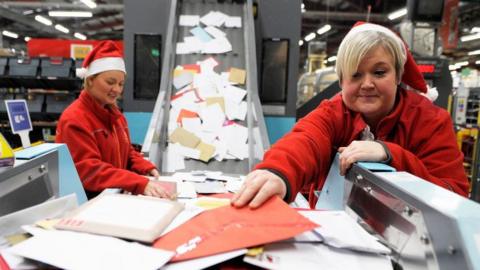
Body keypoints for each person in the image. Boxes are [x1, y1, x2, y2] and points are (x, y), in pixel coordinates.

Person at [232, 22, 469, 209]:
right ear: (342, 81)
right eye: (355, 75)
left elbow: (453, 195)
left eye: (379, 72)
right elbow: (305, 140)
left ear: (398, 75)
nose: (367, 84)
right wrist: (276, 173)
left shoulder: (430, 121)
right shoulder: (333, 112)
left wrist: (391, 155)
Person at [56, 40, 172, 199]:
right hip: (88, 202)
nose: (116, 89)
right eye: (110, 82)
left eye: (121, 84)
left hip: (110, 196)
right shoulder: (75, 119)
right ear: (90, 80)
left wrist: (142, 166)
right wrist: (137, 182)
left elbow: (127, 151)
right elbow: (89, 171)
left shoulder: (115, 115)